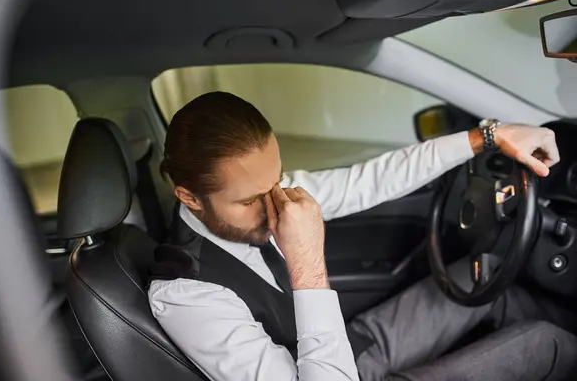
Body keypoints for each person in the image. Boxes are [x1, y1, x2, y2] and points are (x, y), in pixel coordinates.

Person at [148, 91, 577, 381]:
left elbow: (371, 180)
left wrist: (489, 136)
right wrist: (306, 261)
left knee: (485, 279)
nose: (274, 205)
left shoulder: (262, 195)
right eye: (248, 202)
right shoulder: (186, 296)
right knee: (544, 345)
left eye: (276, 180)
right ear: (190, 197)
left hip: (353, 342)